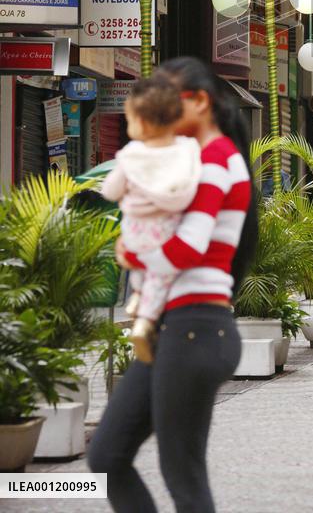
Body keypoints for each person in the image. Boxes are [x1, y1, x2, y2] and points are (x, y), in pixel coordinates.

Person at [88, 57, 258, 512]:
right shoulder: (191, 160)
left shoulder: (217, 159)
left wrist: (131, 255)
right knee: (107, 455)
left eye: (168, 99)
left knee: (181, 474)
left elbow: (189, 245)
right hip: (177, 328)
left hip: (195, 327)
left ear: (200, 102)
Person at [101, 77, 202, 363]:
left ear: (140, 124)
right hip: (168, 231)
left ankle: (140, 307)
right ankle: (146, 317)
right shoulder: (186, 150)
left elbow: (109, 190)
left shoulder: (132, 155)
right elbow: (193, 187)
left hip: (135, 231)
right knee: (161, 275)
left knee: (142, 266)